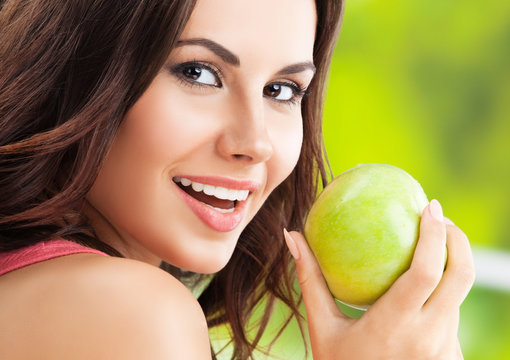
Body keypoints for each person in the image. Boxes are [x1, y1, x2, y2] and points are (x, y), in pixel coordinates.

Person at [0, 0, 474, 359]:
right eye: (199, 73)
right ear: (80, 67)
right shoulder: (133, 315)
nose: (256, 142)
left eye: (281, 90)